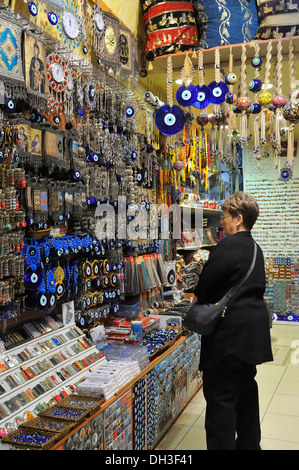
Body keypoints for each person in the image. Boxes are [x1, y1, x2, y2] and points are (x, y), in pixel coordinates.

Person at [191, 191, 273, 450]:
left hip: (228, 340)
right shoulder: (255, 248)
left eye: (224, 217)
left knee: (222, 401)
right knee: (247, 391)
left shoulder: (226, 247)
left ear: (238, 219)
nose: (221, 223)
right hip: (251, 338)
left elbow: (204, 290)